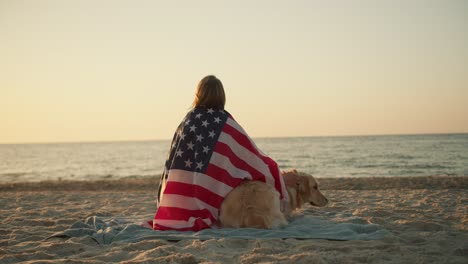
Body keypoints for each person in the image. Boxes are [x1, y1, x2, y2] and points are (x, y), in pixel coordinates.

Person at [150, 75, 297, 231]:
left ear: (198, 94)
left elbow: (171, 163)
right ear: (222, 95)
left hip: (180, 200)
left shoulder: (189, 119)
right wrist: (272, 171)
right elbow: (248, 155)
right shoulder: (224, 121)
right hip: (209, 199)